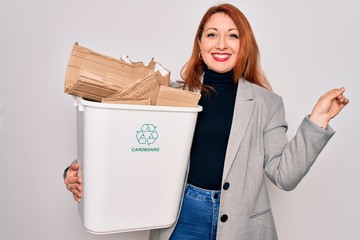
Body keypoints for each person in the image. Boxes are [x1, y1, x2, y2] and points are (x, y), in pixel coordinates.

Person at [64, 3, 349, 240]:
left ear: (244, 44)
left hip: (243, 227)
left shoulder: (267, 104)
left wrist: (318, 119)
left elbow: (283, 175)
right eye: (212, 34)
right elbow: (128, 144)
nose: (221, 44)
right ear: (200, 43)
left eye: (233, 36)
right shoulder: (171, 95)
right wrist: (76, 172)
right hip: (181, 218)